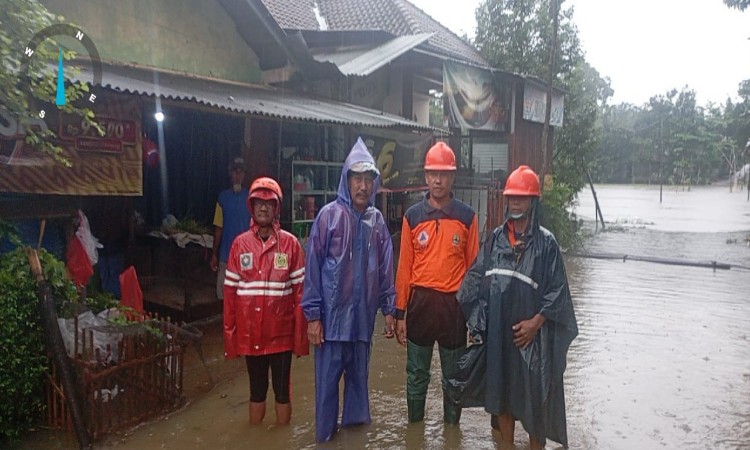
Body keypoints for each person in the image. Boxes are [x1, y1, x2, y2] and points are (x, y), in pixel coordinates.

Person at [455, 165, 578, 449]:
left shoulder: (546, 244)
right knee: (502, 398)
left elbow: (558, 292)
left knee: (536, 402)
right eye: (511, 197)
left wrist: (536, 323)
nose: (515, 203)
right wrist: (479, 325)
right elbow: (473, 284)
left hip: (533, 340)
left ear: (533, 201)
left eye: (521, 198)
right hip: (500, 335)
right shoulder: (495, 239)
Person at [301, 137, 396, 443]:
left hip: (361, 324)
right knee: (326, 392)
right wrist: (313, 316)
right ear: (346, 179)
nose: (363, 186)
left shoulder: (377, 222)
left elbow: (385, 271)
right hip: (330, 324)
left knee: (358, 390)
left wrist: (390, 310)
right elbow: (313, 268)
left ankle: (355, 441)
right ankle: (326, 441)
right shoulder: (328, 216)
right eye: (357, 178)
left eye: (369, 179)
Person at [394, 141, 479, 424]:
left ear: (453, 177)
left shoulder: (467, 217)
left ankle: (452, 432)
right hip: (419, 305)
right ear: (426, 176)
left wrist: (475, 319)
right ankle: (414, 430)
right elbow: (404, 267)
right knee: (416, 374)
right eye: (432, 173)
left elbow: (474, 271)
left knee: (453, 377)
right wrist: (400, 313)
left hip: (453, 308)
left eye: (444, 174)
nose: (438, 180)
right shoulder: (412, 217)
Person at [223, 176, 308, 425]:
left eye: (268, 203)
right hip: (251, 335)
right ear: (251, 206)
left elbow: (300, 296)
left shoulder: (291, 245)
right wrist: (231, 339)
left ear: (276, 208)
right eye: (258, 202)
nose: (263, 207)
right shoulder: (239, 245)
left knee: (282, 391)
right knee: (256, 390)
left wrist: (300, 340)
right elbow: (229, 296)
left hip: (280, 336)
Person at [211, 157, 251, 301]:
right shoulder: (223, 198)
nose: (237, 176)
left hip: (246, 255)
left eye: (240, 173)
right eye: (235, 172)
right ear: (230, 175)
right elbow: (218, 227)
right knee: (223, 294)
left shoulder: (250, 197)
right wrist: (214, 254)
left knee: (244, 293)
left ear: (244, 175)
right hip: (225, 254)